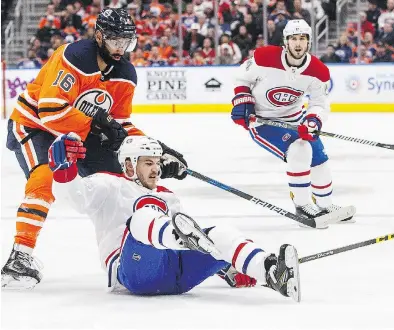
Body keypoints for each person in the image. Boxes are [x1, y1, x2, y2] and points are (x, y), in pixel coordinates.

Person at [1, 8, 187, 290]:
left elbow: (121, 124)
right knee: (44, 178)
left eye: (125, 42)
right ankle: (20, 256)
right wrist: (98, 124)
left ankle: (161, 241)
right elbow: (50, 111)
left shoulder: (125, 73)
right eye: (114, 41)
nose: (120, 48)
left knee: (126, 178)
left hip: (78, 132)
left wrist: (155, 152)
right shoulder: (74, 57)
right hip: (35, 126)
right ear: (99, 36)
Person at [46, 134, 301, 301]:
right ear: (128, 165)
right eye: (147, 162)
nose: (156, 168)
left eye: (156, 162)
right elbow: (76, 197)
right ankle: (178, 239)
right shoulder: (108, 184)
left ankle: (271, 272)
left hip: (176, 273)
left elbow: (197, 237)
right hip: (134, 272)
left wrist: (227, 268)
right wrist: (63, 170)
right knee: (142, 217)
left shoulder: (169, 197)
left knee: (220, 233)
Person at [230, 19, 355, 222]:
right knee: (299, 149)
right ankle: (302, 205)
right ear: (285, 42)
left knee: (319, 158)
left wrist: (312, 122)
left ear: (309, 42)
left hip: (296, 119)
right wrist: (243, 101)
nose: (298, 44)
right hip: (264, 122)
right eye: (293, 39)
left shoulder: (318, 70)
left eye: (303, 39)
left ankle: (325, 205)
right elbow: (241, 78)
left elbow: (319, 103)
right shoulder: (264, 57)